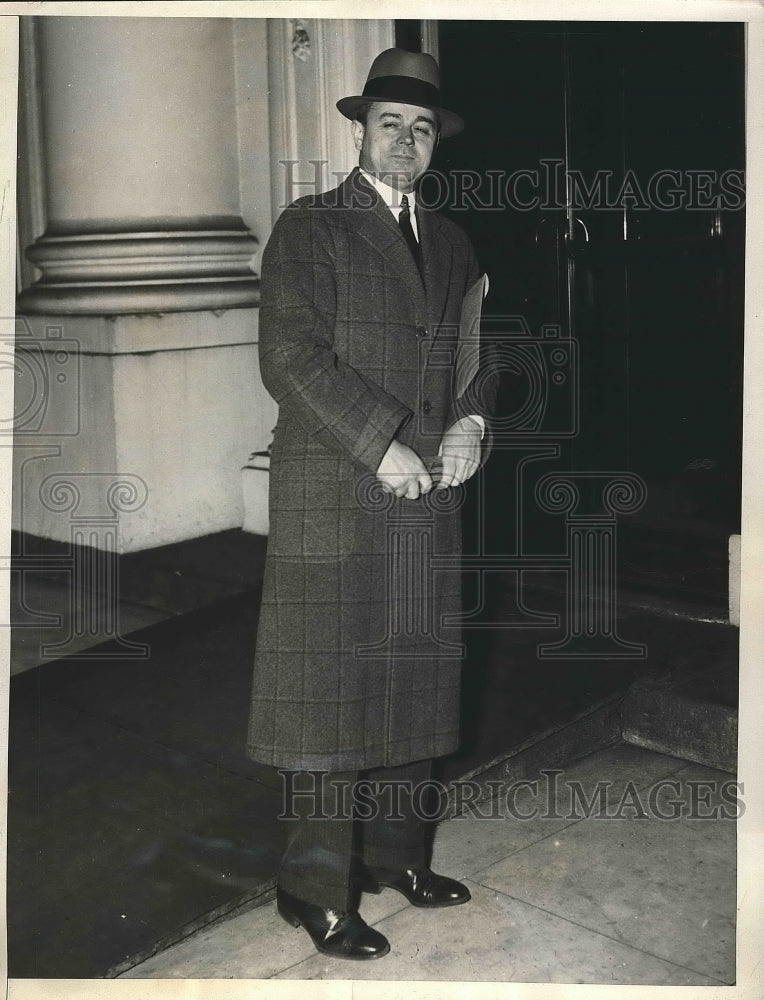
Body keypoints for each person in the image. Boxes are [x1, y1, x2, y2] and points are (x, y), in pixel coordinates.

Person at [247, 48, 497, 960]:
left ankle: (398, 859)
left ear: (435, 144)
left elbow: (478, 354)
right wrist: (382, 442)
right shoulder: (309, 228)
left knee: (415, 677)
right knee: (328, 693)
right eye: (391, 123)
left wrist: (472, 423)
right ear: (360, 130)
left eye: (422, 128)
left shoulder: (457, 244)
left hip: (427, 495)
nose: (406, 141)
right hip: (338, 491)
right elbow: (292, 360)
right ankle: (311, 889)